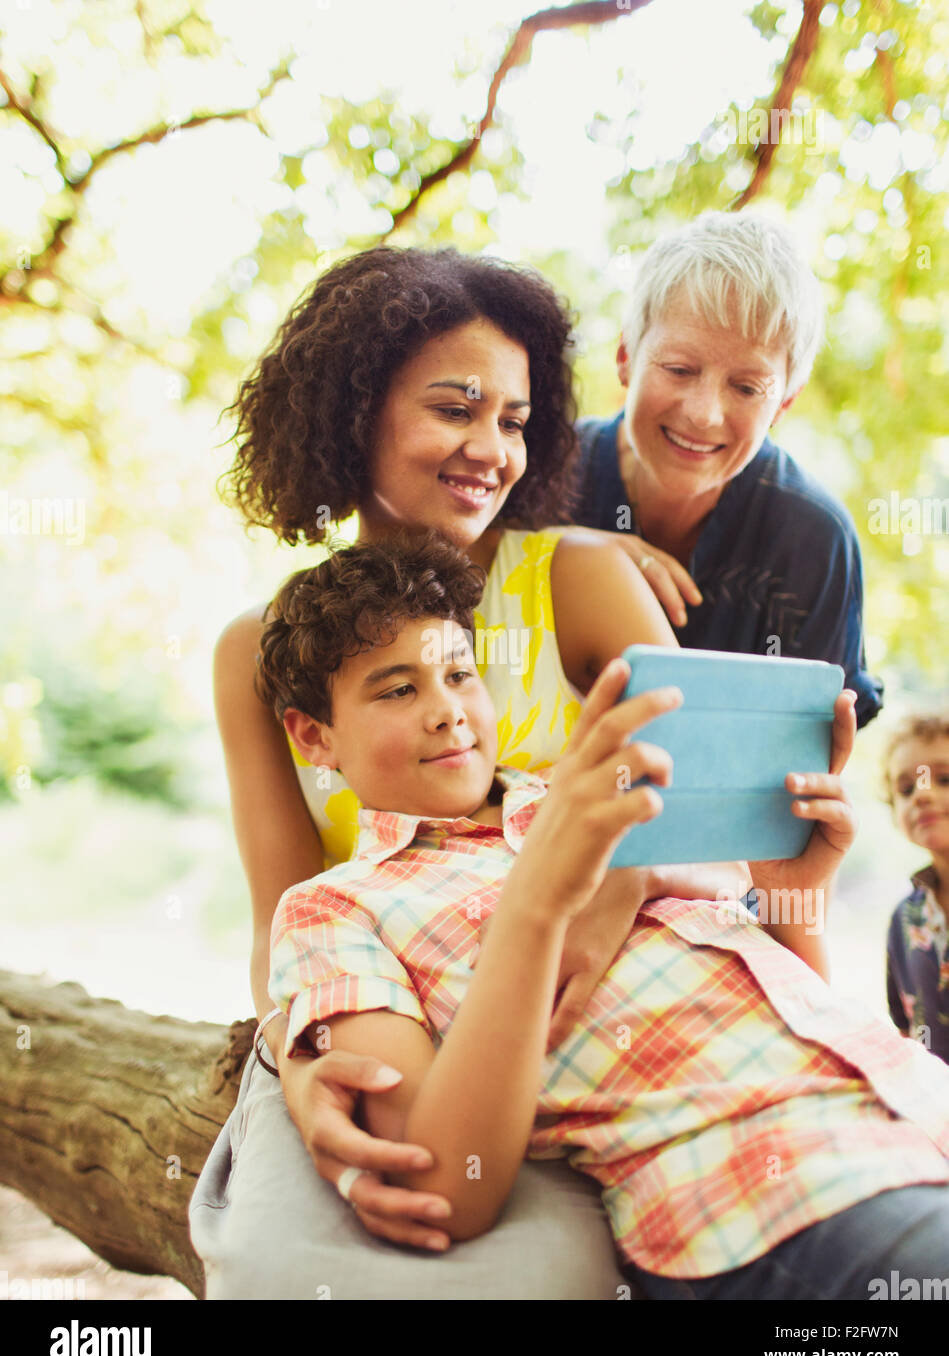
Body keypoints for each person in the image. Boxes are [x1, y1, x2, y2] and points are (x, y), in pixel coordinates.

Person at [192, 245, 745, 1299]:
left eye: (513, 418)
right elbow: (283, 928)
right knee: (292, 1267)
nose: (490, 447)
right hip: (380, 1030)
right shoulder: (260, 650)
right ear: (352, 414)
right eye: (455, 409)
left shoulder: (577, 579)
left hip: (580, 1023)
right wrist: (305, 1068)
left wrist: (599, 897)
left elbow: (702, 798)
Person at [261, 531, 949, 1300]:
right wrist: (537, 905)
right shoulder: (333, 907)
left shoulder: (593, 797)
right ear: (314, 736)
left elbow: (784, 1007)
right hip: (766, 1192)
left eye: (460, 674)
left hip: (915, 1106)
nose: (447, 712)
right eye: (397, 690)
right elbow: (444, 1185)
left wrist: (794, 890)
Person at [570, 210, 883, 729]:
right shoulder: (539, 475)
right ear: (626, 356)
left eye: (746, 388)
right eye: (679, 369)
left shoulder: (813, 540)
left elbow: (807, 752)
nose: (703, 413)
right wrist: (574, 549)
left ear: (783, 404)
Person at [883, 713, 949, 1062]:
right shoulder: (903, 919)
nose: (921, 796)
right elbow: (905, 1026)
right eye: (906, 789)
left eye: (944, 779)